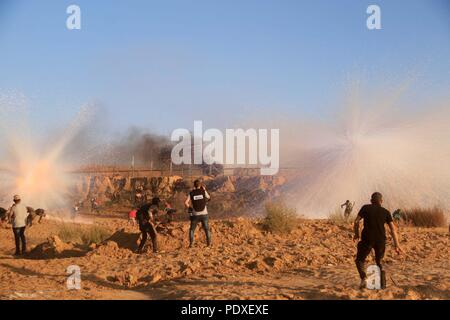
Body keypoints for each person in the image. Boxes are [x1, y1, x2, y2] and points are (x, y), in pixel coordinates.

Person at [353, 192, 403, 289]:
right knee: (379, 261)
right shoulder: (386, 212)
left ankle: (364, 278)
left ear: (371, 201)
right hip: (380, 240)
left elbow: (356, 221)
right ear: (381, 201)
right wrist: (397, 245)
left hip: (367, 238)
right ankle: (383, 286)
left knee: (359, 259)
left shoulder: (365, 208)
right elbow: (393, 229)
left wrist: (356, 234)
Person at [185, 180, 212, 248]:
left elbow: (186, 202)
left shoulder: (191, 193)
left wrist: (190, 208)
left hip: (195, 214)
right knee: (206, 229)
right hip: (204, 213)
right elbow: (209, 197)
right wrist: (204, 190)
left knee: (192, 230)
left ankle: (191, 244)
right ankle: (209, 244)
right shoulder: (203, 191)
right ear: (200, 185)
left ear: (194, 185)